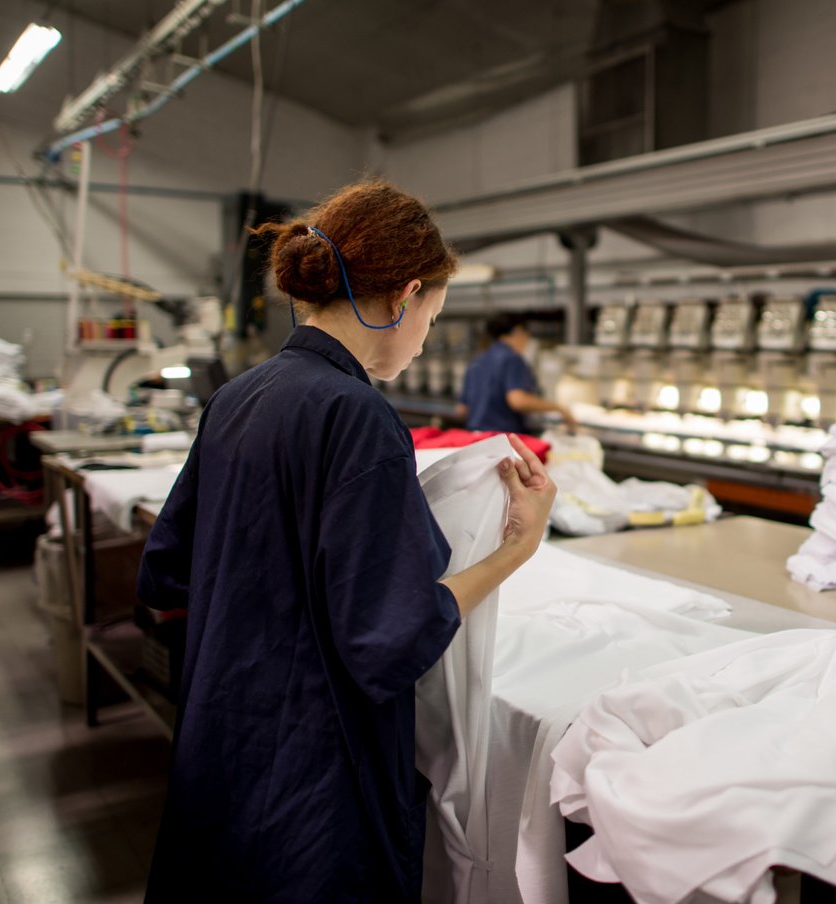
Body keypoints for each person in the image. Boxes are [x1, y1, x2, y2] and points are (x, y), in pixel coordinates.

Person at [137, 180, 556, 903]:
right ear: (406, 296)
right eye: (432, 316)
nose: (424, 338)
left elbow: (165, 573)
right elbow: (387, 639)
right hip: (310, 780)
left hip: (219, 744)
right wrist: (513, 549)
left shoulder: (239, 397)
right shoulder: (359, 417)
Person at [456, 312, 577, 434]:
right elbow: (518, 401)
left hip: (474, 436)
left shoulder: (477, 361)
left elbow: (462, 410)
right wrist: (559, 408)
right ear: (518, 331)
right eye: (527, 335)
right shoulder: (512, 359)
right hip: (501, 440)